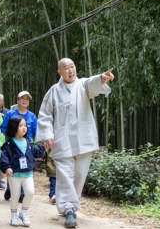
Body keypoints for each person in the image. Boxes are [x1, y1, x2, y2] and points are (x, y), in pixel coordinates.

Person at [35, 58, 114, 228]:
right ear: (59, 72)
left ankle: (70, 204)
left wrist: (101, 77)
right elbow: (45, 115)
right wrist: (47, 135)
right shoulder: (53, 91)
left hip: (83, 140)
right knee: (65, 176)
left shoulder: (83, 85)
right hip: (62, 141)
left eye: (72, 66)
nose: (70, 70)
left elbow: (92, 84)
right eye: (66, 68)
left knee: (80, 175)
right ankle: (69, 209)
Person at [0, 115, 45, 227]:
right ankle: (13, 216)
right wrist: (6, 168)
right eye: (20, 126)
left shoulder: (28, 141)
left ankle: (23, 213)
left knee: (30, 192)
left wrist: (43, 146)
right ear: (13, 127)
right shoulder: (8, 144)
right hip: (14, 174)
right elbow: (4, 157)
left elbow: (36, 152)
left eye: (25, 125)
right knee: (15, 195)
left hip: (27, 173)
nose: (24, 128)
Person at [1, 91, 38, 202]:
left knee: (25, 166)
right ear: (18, 100)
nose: (25, 100)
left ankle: (21, 193)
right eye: (22, 98)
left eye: (27, 98)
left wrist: (36, 146)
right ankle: (10, 188)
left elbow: (36, 132)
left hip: (27, 142)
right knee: (12, 167)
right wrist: (11, 137)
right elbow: (3, 128)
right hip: (12, 142)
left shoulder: (32, 116)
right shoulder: (10, 114)